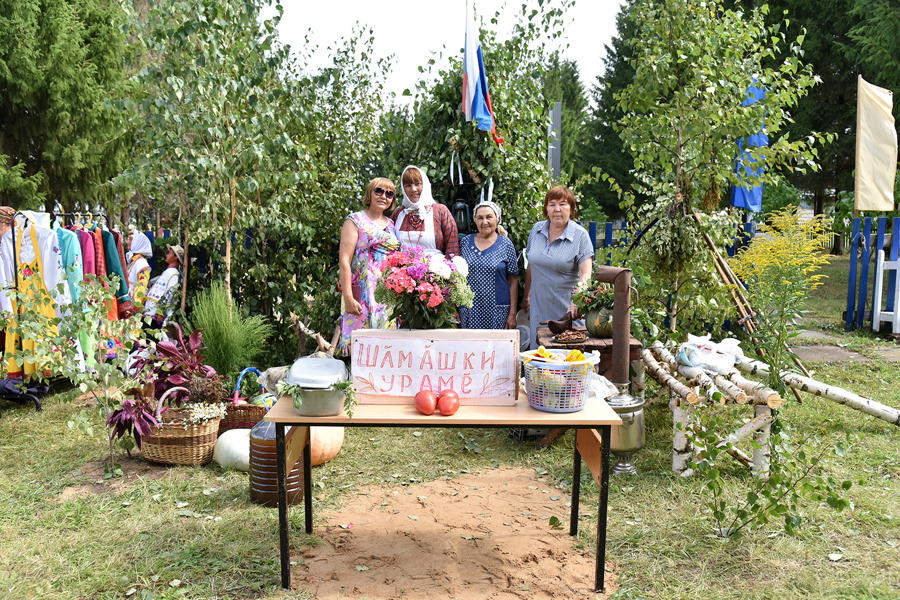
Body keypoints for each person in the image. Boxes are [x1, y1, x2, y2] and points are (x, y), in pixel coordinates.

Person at [522, 185, 594, 349]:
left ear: (571, 208)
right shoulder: (536, 230)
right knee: (540, 361)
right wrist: (526, 296)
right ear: (546, 208)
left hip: (567, 314)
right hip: (539, 310)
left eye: (563, 204)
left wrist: (579, 299)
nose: (557, 209)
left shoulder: (580, 236)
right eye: (552, 204)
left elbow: (585, 275)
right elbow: (532, 264)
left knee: (567, 365)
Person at [336, 177, 402, 356]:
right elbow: (344, 261)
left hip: (387, 294)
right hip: (362, 292)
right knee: (361, 347)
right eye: (379, 191)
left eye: (389, 193)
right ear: (370, 194)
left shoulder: (392, 225)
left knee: (386, 348)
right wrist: (348, 296)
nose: (384, 196)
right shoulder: (355, 220)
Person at [459, 200, 519, 330]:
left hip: (498, 312)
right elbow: (456, 278)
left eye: (489, 217)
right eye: (480, 218)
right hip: (470, 311)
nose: (484, 222)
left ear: (497, 219)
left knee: (496, 349)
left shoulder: (506, 244)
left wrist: (512, 314)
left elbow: (513, 281)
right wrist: (454, 309)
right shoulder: (465, 242)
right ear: (475, 220)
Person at [391, 165, 460, 258]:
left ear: (425, 185)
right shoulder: (398, 214)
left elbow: (452, 249)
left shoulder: (440, 211)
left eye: (417, 184)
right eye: (408, 186)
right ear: (403, 189)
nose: (413, 189)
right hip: (401, 270)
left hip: (436, 270)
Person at [143, 244, 182, 330]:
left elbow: (170, 293)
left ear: (176, 257)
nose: (167, 255)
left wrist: (161, 312)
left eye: (170, 253)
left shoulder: (174, 274)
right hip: (150, 311)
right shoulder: (169, 272)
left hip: (155, 313)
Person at [126, 231, 153, 306]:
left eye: (131, 239)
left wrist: (135, 306)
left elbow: (141, 287)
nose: (128, 242)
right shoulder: (133, 261)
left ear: (138, 243)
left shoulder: (141, 263)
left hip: (132, 307)